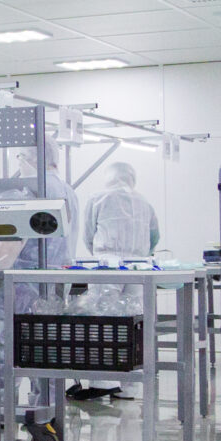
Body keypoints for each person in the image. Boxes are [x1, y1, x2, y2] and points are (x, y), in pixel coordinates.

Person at [0, 148, 80, 428]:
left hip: (23, 283)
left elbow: (12, 240)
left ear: (27, 159)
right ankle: (47, 412)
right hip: (55, 282)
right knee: (46, 349)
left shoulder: (32, 189)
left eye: (19, 158)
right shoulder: (68, 190)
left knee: (7, 349)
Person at [83, 161, 162, 400]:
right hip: (138, 268)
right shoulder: (144, 202)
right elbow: (155, 236)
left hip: (108, 266)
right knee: (134, 326)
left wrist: (102, 255)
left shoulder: (98, 198)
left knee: (102, 324)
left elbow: (88, 236)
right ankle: (130, 386)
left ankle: (103, 381)